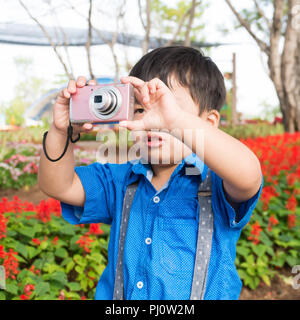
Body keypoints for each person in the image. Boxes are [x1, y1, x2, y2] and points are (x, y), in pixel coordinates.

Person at [38, 46, 263, 300]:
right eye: (141, 109)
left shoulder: (216, 182)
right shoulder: (122, 180)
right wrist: (60, 131)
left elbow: (249, 175)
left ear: (208, 123)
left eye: (167, 108)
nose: (154, 120)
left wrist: (175, 121)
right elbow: (58, 185)